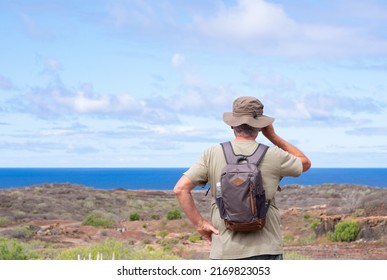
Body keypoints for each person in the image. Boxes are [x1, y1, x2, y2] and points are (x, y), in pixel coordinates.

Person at [173, 96, 311, 260]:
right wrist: (273, 136)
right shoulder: (273, 154)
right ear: (261, 126)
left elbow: (181, 189)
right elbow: (305, 163)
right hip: (266, 249)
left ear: (232, 124)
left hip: (224, 251)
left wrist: (200, 224)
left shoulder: (211, 153)